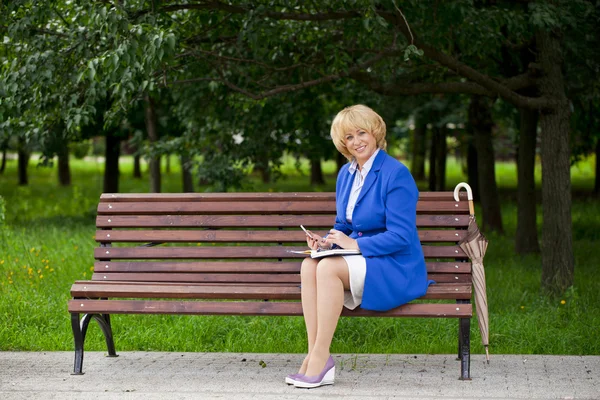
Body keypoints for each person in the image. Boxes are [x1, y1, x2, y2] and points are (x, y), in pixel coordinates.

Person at [288, 104, 433, 389]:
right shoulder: (346, 174)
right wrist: (327, 239)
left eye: (361, 133)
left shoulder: (396, 174)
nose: (357, 142)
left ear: (375, 133)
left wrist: (354, 243)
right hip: (362, 257)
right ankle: (315, 354)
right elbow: (343, 223)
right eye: (349, 137)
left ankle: (319, 358)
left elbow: (402, 236)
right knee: (309, 264)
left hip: (394, 264)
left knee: (328, 268)